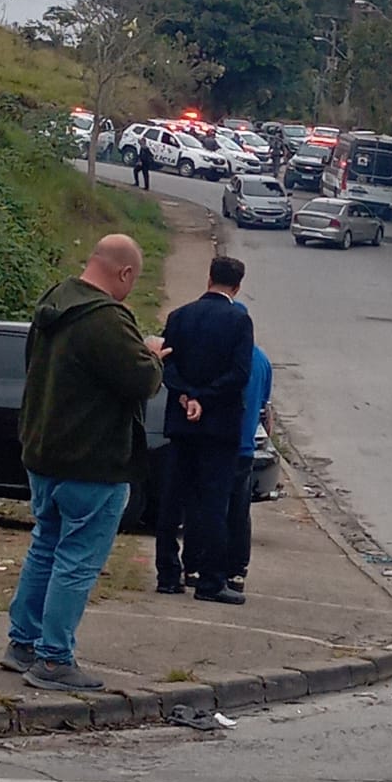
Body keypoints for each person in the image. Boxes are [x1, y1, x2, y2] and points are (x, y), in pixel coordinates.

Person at [1, 234, 167, 692]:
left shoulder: (54, 300)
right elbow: (140, 381)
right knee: (76, 559)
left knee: (46, 545)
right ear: (125, 273)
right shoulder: (107, 319)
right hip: (92, 460)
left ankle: (23, 643)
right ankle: (55, 660)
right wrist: (151, 355)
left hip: (43, 451)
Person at [155, 256, 253, 605]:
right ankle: (210, 580)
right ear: (237, 286)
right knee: (213, 502)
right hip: (218, 426)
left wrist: (186, 397)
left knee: (173, 498)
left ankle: (167, 575)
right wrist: (205, 400)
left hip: (181, 423)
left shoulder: (179, 316)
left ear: (208, 277)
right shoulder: (239, 321)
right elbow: (240, 373)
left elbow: (167, 363)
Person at [182, 301, 273, 596]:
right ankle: (237, 571)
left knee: (205, 507)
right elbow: (265, 409)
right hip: (246, 447)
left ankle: (196, 566)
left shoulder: (228, 361)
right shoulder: (262, 362)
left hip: (220, 440)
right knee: (239, 512)